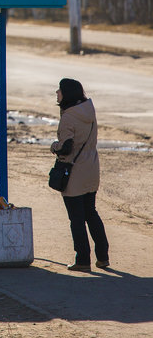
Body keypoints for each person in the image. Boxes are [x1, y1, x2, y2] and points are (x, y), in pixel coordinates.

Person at [51, 77, 110, 272]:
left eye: (59, 91)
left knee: (76, 219)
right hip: (92, 169)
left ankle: (83, 260)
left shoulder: (68, 116)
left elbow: (66, 147)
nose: (57, 94)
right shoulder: (88, 111)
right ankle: (103, 257)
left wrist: (54, 147)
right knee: (91, 213)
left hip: (74, 173)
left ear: (67, 94)